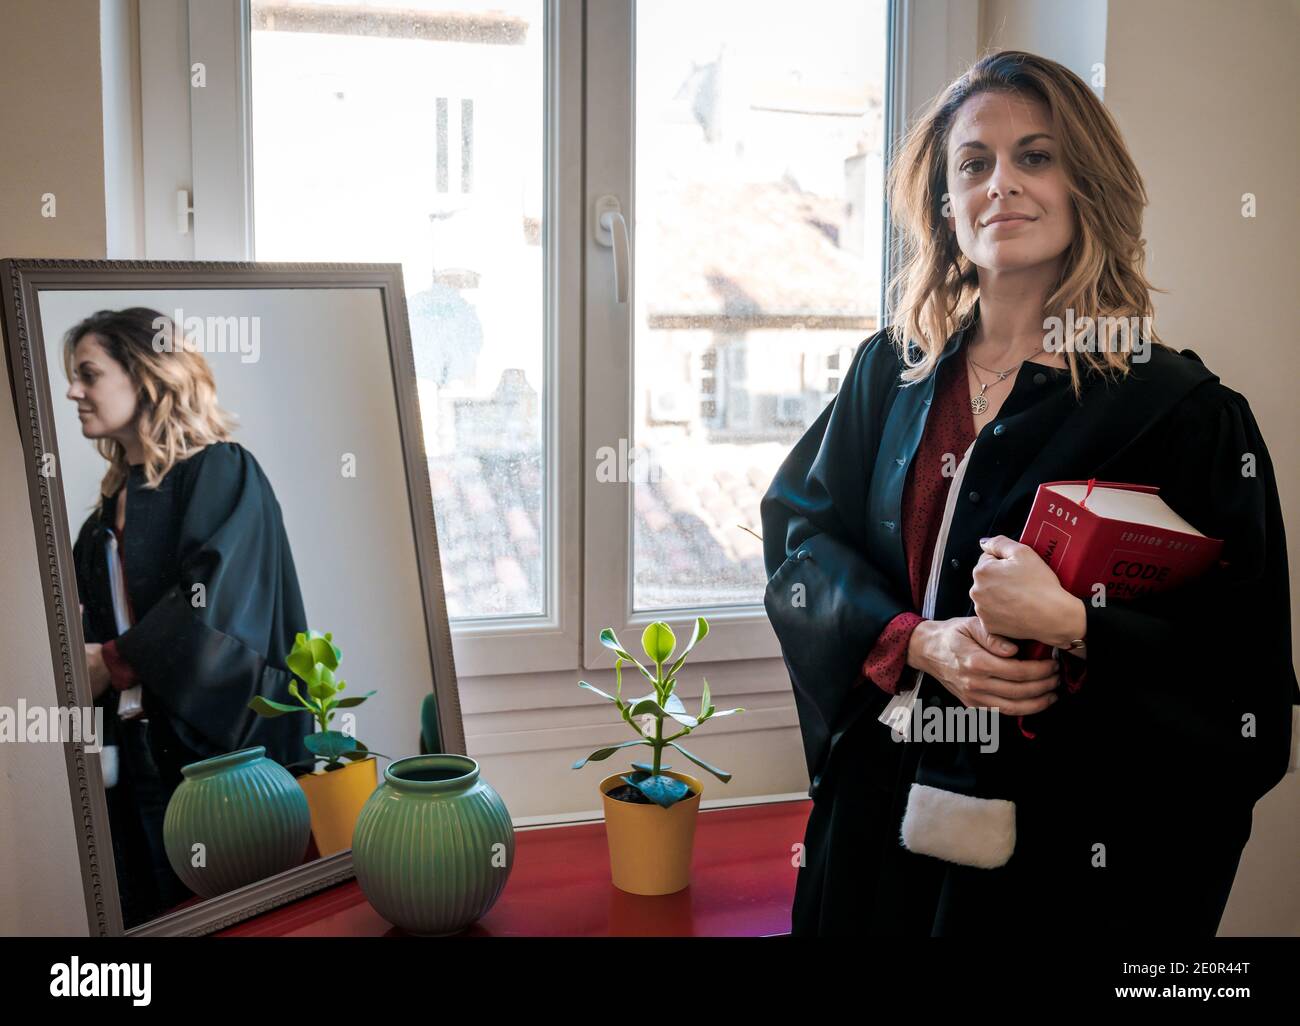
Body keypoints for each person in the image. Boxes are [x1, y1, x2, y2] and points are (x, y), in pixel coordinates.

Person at [761, 50, 1297, 937]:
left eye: (1035, 156)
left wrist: (1077, 627)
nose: (1001, 184)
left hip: (1056, 882)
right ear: (946, 204)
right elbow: (800, 546)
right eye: (974, 163)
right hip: (873, 841)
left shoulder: (1182, 416)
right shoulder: (890, 377)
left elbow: (1244, 694)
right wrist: (918, 640)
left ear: (1087, 184)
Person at [66, 307, 312, 927]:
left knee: (241, 920)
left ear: (146, 374)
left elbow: (216, 611)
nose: (73, 391)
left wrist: (115, 662)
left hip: (222, 764)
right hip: (134, 761)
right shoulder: (101, 521)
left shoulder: (223, 472)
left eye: (88, 374)